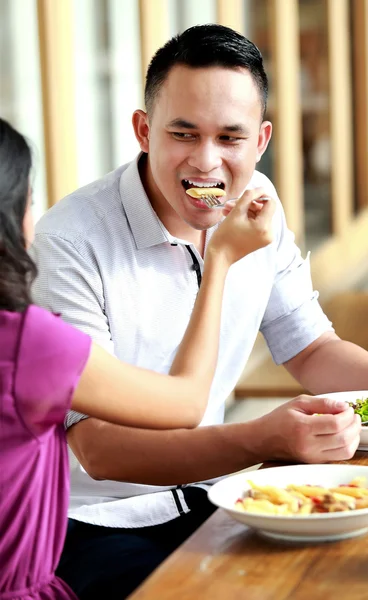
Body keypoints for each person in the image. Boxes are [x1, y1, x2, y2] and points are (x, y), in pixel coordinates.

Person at [31, 24, 368, 600]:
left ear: (260, 140)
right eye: (183, 133)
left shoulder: (258, 202)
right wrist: (263, 439)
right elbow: (100, 450)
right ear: (143, 130)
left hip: (219, 492)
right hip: (92, 521)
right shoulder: (71, 240)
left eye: (229, 138)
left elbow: (308, 346)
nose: (206, 163)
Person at [0, 117, 276, 600]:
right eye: (28, 200)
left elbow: (308, 338)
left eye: (229, 137)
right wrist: (219, 264)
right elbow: (186, 402)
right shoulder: (30, 343)